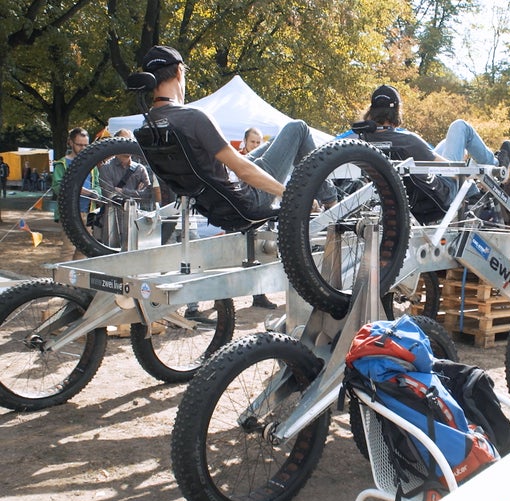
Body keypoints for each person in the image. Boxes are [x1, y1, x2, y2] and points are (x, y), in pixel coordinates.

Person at [141, 45, 319, 221]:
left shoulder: (148, 125)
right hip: (248, 198)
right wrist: (290, 194)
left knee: (275, 142)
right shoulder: (193, 118)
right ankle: (331, 202)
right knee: (297, 128)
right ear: (180, 71)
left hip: (215, 202)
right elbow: (243, 171)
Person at [343, 84, 510, 222]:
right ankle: (498, 168)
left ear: (371, 111)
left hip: (407, 203)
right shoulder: (408, 140)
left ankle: (479, 184)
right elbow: (453, 172)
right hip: (438, 198)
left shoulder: (363, 140)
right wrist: (468, 171)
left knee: (447, 143)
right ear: (396, 112)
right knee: (460, 127)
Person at [239, 127, 277, 309]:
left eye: (257, 142)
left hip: (257, 216)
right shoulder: (238, 160)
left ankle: (259, 296)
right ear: (245, 142)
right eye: (252, 141)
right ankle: (220, 300)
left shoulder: (262, 164)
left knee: (259, 256)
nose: (255, 145)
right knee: (234, 257)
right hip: (239, 214)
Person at [52, 127, 101, 260]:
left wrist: (95, 193)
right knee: (69, 249)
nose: (83, 148)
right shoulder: (62, 163)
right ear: (70, 143)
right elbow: (57, 187)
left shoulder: (92, 164)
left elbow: (96, 185)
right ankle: (64, 279)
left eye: (86, 145)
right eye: (79, 145)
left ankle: (79, 279)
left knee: (84, 249)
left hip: (88, 212)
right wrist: (79, 191)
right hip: (70, 213)